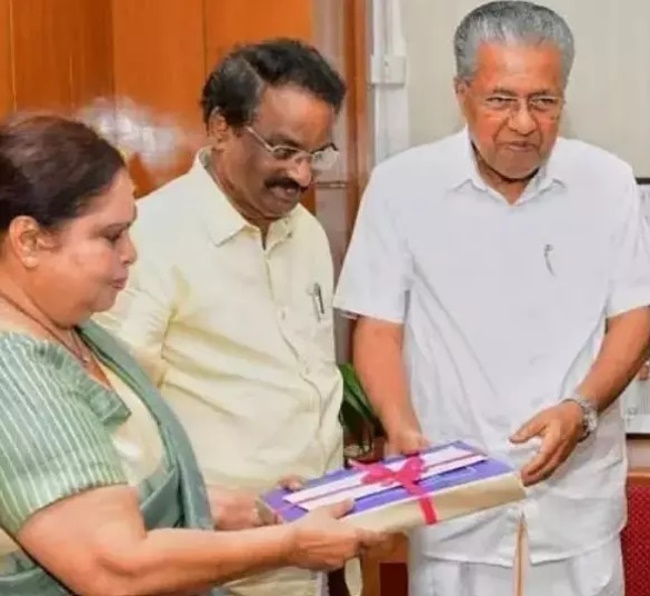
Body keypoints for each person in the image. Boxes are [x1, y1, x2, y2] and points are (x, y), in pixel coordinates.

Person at [333, 2, 650, 595]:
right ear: (462, 93)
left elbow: (634, 316)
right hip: (455, 500)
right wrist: (401, 428)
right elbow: (378, 328)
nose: (523, 122)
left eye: (543, 101)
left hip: (576, 503)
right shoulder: (401, 187)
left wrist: (582, 408)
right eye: (500, 100)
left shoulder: (606, 181)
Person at [0, 114, 385, 595]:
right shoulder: (14, 371)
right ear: (29, 240)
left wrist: (214, 507)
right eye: (111, 236)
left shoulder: (71, 328)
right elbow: (115, 568)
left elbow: (119, 488)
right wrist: (288, 546)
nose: (131, 253)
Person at [95, 39, 357, 596]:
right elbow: (114, 418)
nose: (302, 176)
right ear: (221, 128)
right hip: (218, 563)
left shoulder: (307, 233)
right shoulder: (146, 241)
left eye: (317, 154)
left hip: (316, 552)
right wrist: (203, 505)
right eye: (284, 150)